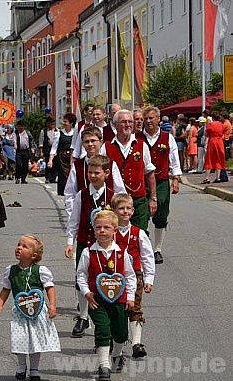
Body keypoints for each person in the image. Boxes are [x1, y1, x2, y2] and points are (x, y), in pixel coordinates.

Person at [76, 210, 136, 381]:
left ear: (114, 231)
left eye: (106, 227)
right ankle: (104, 365)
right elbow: (81, 274)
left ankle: (117, 355)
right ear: (94, 230)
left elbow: (130, 276)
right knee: (102, 329)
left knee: (121, 333)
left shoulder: (121, 252)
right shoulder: (89, 252)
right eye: (98, 227)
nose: (102, 230)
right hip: (97, 300)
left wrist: (130, 297)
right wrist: (86, 292)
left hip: (120, 299)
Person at [0, 235, 60, 381]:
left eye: (24, 246)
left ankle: (34, 369)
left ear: (34, 255)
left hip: (38, 311)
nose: (19, 248)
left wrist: (52, 305)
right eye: (18, 244)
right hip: (20, 312)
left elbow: (50, 288)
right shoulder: (11, 270)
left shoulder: (40, 270)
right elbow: (6, 289)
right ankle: (21, 365)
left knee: (35, 340)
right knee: (20, 339)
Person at [65, 155, 116, 338]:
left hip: (106, 247)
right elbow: (74, 221)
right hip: (85, 243)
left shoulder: (113, 196)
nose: (93, 176)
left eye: (97, 172)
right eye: (90, 172)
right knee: (82, 279)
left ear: (106, 173)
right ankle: (83, 316)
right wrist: (70, 243)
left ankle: (107, 317)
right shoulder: (82, 195)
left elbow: (118, 224)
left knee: (104, 279)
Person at [111, 193, 155, 359]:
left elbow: (147, 257)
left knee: (135, 307)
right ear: (114, 211)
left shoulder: (139, 233)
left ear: (133, 211)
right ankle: (115, 342)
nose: (125, 211)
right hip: (113, 277)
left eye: (128, 208)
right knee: (116, 309)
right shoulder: (110, 232)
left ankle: (136, 343)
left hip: (135, 276)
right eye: (121, 208)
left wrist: (148, 279)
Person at [100, 109, 157, 232]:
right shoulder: (106, 147)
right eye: (124, 122)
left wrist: (153, 198)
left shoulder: (142, 145)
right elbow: (101, 174)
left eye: (130, 122)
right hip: (115, 200)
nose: (128, 125)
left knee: (140, 233)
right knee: (115, 233)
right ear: (115, 125)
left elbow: (150, 173)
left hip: (138, 199)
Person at [141, 107, 182, 264]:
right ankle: (143, 248)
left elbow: (174, 158)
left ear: (158, 119)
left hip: (162, 181)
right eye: (146, 118)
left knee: (161, 213)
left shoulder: (167, 137)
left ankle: (157, 249)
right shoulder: (137, 137)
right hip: (142, 182)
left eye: (151, 118)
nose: (149, 121)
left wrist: (176, 179)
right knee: (142, 213)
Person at [64, 126, 126, 220]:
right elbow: (70, 194)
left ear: (101, 142)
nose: (90, 144)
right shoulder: (77, 166)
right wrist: (73, 216)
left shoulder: (111, 164)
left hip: (108, 217)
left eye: (93, 141)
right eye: (86, 142)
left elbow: (120, 191)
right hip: (84, 216)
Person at [48, 113, 76, 196]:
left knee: (72, 174)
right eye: (63, 121)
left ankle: (71, 191)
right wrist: (50, 160)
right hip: (62, 158)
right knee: (63, 175)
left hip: (71, 156)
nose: (64, 123)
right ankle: (63, 192)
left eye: (66, 121)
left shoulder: (75, 133)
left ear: (71, 123)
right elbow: (54, 147)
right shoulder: (59, 133)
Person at [202, 114, 226, 184]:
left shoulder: (211, 124)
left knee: (209, 159)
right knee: (219, 159)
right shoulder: (221, 124)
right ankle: (218, 177)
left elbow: (206, 134)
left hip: (212, 141)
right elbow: (223, 132)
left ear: (213, 118)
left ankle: (207, 178)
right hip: (220, 142)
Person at [39, 118, 59, 184]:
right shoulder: (43, 131)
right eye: (50, 123)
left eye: (53, 123)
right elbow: (41, 142)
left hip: (55, 149)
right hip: (47, 149)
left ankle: (53, 177)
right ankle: (47, 177)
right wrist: (41, 151)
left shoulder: (57, 130)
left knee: (55, 164)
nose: (51, 125)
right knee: (48, 163)